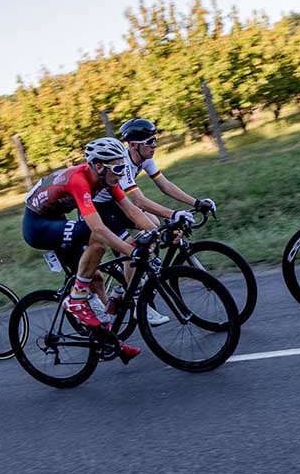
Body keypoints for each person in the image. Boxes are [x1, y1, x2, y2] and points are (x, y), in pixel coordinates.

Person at [22, 137, 159, 363]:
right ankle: (76, 299)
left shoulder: (108, 179)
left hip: (56, 219)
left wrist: (158, 233)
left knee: (95, 278)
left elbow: (132, 210)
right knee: (96, 237)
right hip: (37, 227)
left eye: (123, 167)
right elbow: (97, 228)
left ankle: (109, 340)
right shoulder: (79, 180)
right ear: (98, 166)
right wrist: (131, 251)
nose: (121, 173)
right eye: (117, 168)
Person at [93, 118, 217, 326]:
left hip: (117, 204)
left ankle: (125, 285)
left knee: (153, 223)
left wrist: (196, 202)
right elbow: (139, 201)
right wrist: (174, 214)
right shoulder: (122, 163)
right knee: (131, 249)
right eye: (150, 142)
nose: (155, 145)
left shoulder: (145, 157)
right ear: (134, 145)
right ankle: (137, 302)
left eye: (155, 140)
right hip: (100, 209)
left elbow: (164, 185)